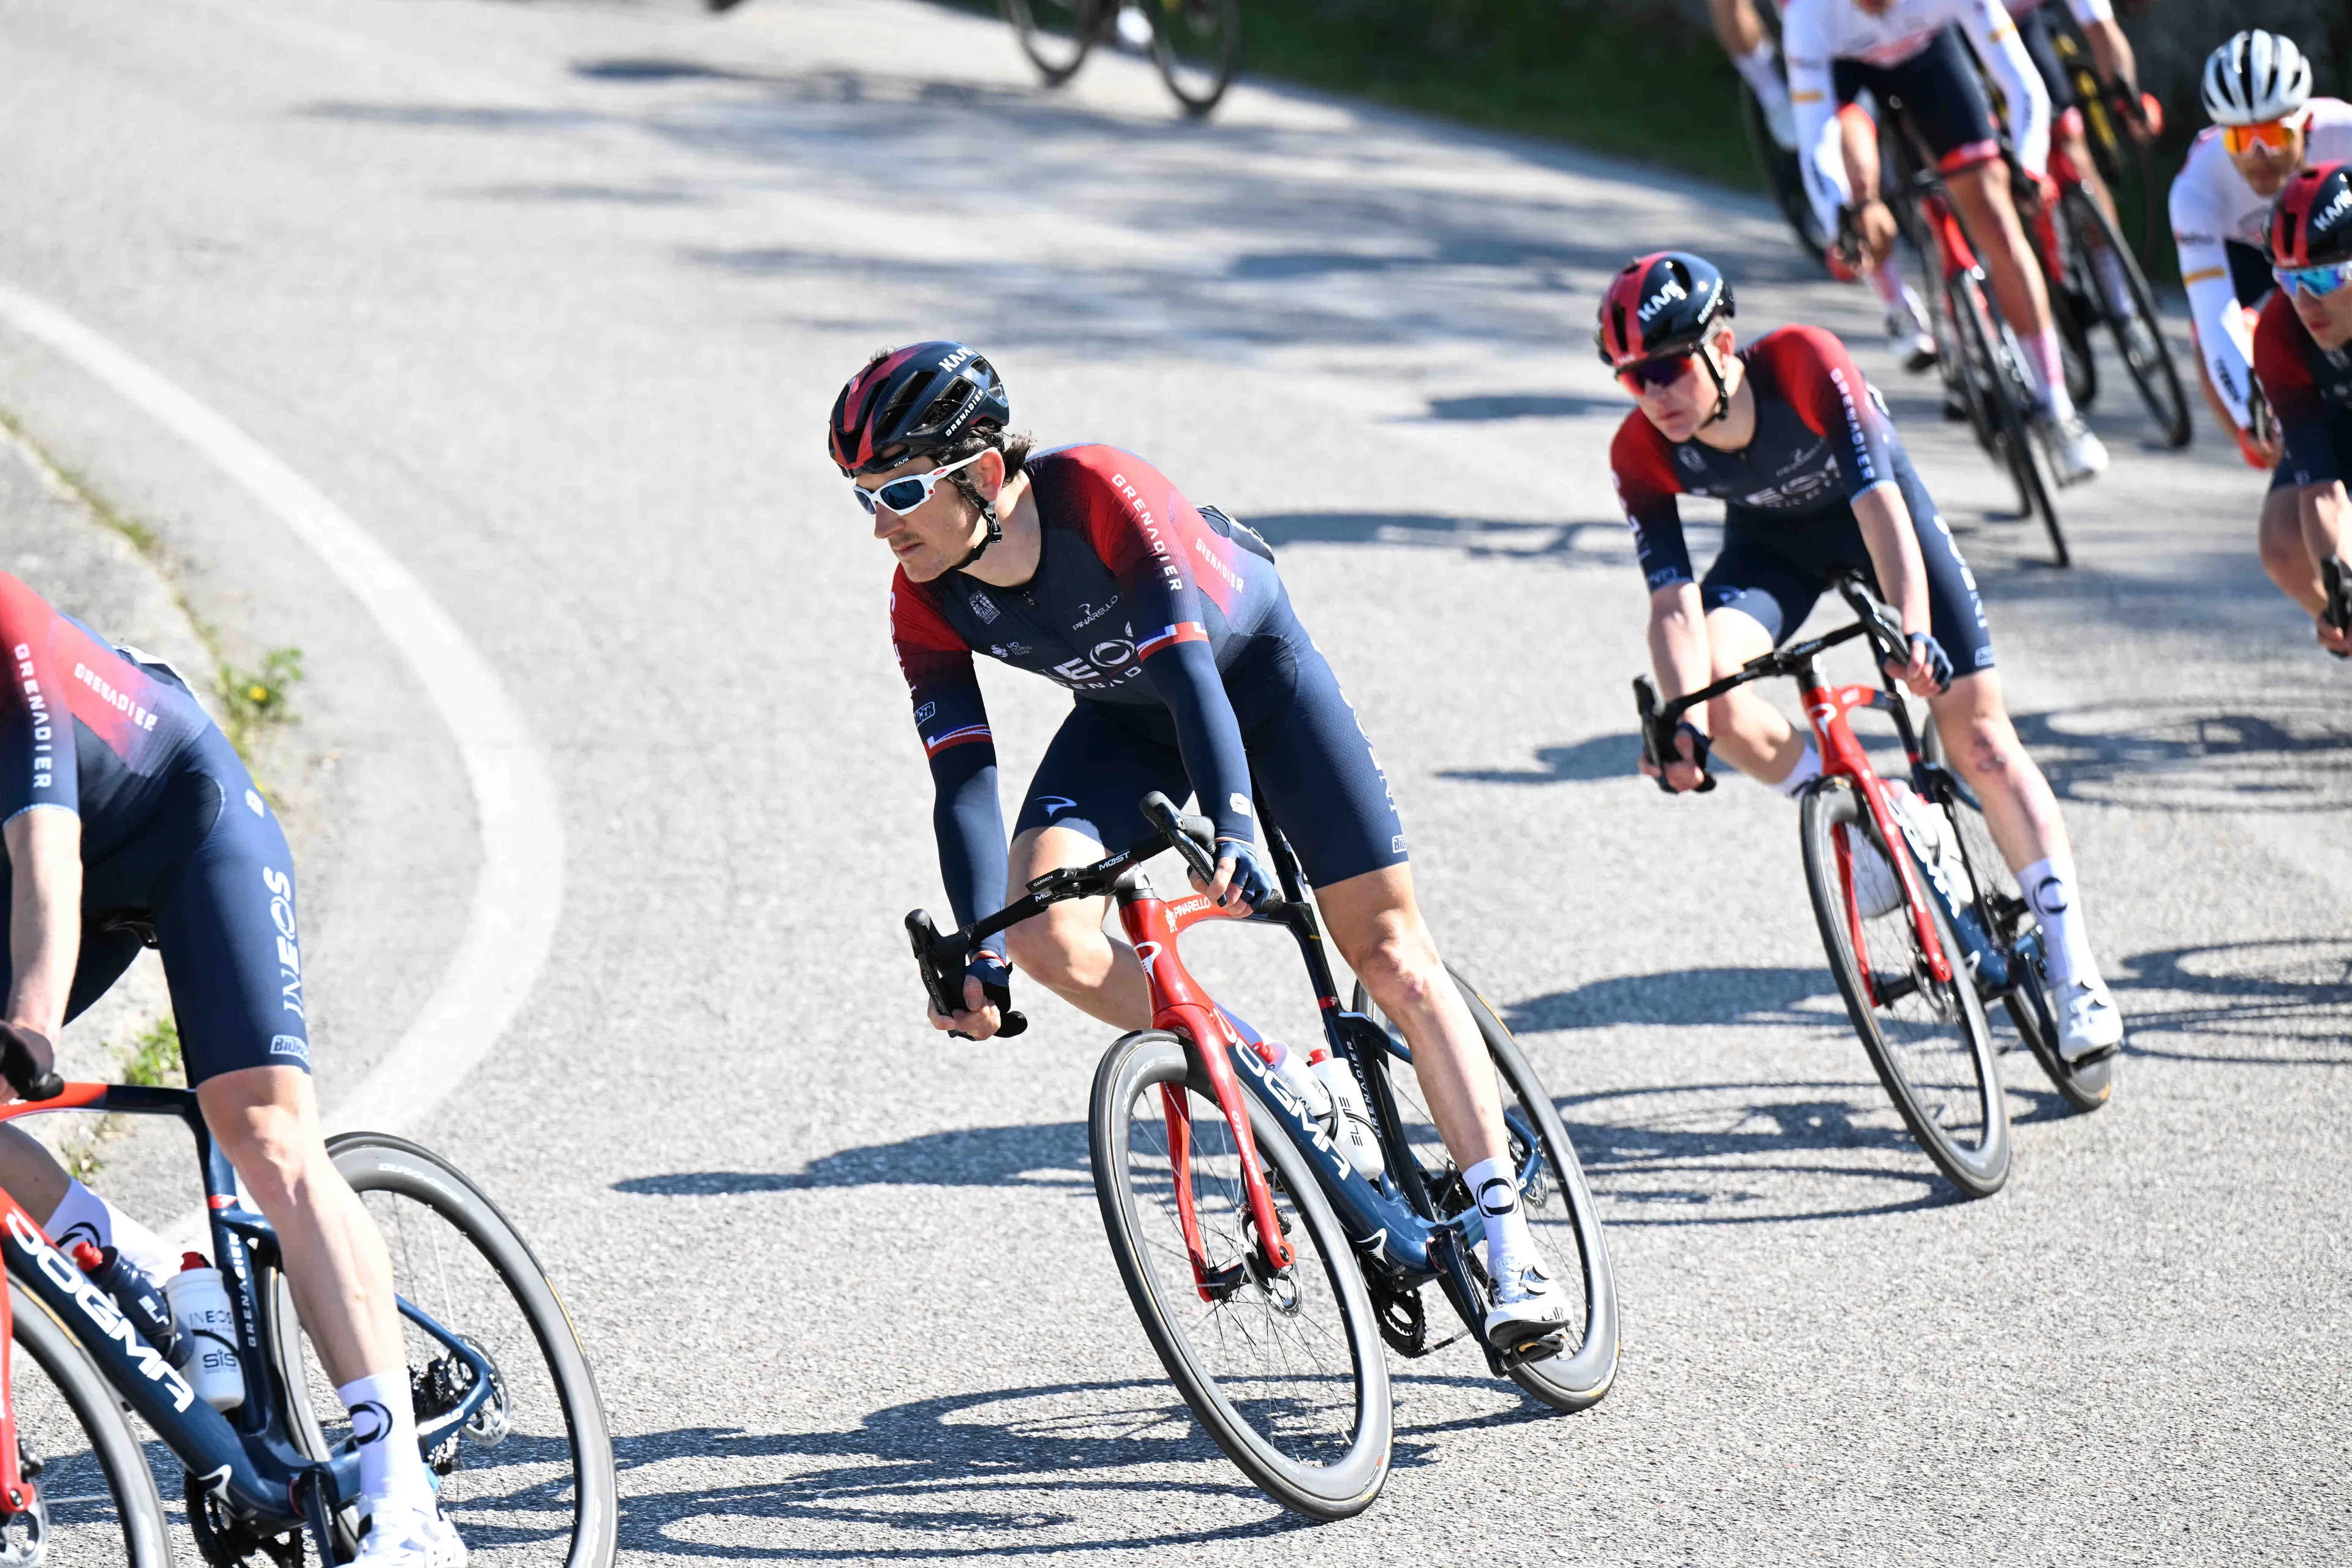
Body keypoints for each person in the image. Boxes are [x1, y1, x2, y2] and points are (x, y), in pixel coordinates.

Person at [836, 342, 1573, 1345]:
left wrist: (1233, 826)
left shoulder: (1100, 491)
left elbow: (1193, 676)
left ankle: (1510, 1245)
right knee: (1049, 934)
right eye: (864, 497)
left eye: (904, 488)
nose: (882, 523)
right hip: (1128, 723)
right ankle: (1279, 1075)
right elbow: (962, 776)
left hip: (1257, 687)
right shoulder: (921, 597)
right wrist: (984, 955)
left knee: (1393, 955)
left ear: (986, 471)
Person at [0, 575, 464, 1567]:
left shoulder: (8, 632)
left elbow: (48, 854)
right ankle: (134, 1260)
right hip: (49, 865)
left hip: (184, 824)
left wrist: (34, 1021)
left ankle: (404, 1501)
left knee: (263, 1132)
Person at [1597, 252, 2125, 1062]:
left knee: (1980, 740)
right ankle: (1885, 827)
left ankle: (2073, 966)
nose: (1656, 395)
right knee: (1716, 697)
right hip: (1772, 554)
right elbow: (1673, 608)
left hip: (1880, 523)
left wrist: (1912, 631)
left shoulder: (1806, 362)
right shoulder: (1640, 452)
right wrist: (1685, 728)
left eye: (1668, 369)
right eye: (1636, 379)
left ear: (1723, 345)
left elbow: (1882, 508)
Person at [1782, 0, 2111, 483]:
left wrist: (2028, 166)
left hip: (1929, 56)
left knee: (1997, 219)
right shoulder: (1809, 14)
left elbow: (2023, 86)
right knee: (1856, 182)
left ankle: (2058, 409)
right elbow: (1815, 146)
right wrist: (1841, 224)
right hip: (1848, 75)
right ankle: (1897, 306)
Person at [2169, 32, 2352, 474]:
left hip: (2331, 247)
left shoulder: (2345, 133)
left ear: (2304, 122)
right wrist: (2245, 410)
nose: (2258, 156)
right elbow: (2215, 317)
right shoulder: (2196, 188)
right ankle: (2285, 462)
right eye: (2239, 140)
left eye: (2272, 133)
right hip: (2248, 253)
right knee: (2205, 339)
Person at [2248, 162, 2352, 656]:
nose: (2307, 303)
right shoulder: (2278, 333)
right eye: (2291, 281)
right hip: (2340, 414)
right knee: (2283, 541)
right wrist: (2340, 593)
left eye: (2328, 277)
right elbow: (2323, 492)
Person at [2005, 0, 2158, 227]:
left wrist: (2130, 101)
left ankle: (2108, 256)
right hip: (1960, 30)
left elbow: (2101, 28)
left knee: (2069, 135)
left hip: (2026, 22)